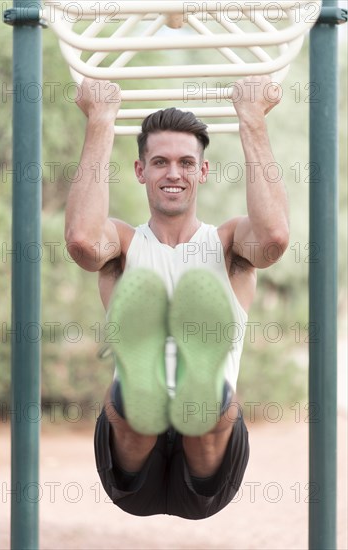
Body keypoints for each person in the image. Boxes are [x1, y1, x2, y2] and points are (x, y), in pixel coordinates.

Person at [65, 75, 289, 519]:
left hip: (208, 470)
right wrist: (100, 121)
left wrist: (253, 121)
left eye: (187, 162)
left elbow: (274, 238)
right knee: (135, 394)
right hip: (131, 466)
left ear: (203, 171)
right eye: (160, 161)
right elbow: (82, 242)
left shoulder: (228, 245)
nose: (173, 173)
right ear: (140, 170)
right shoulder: (124, 245)